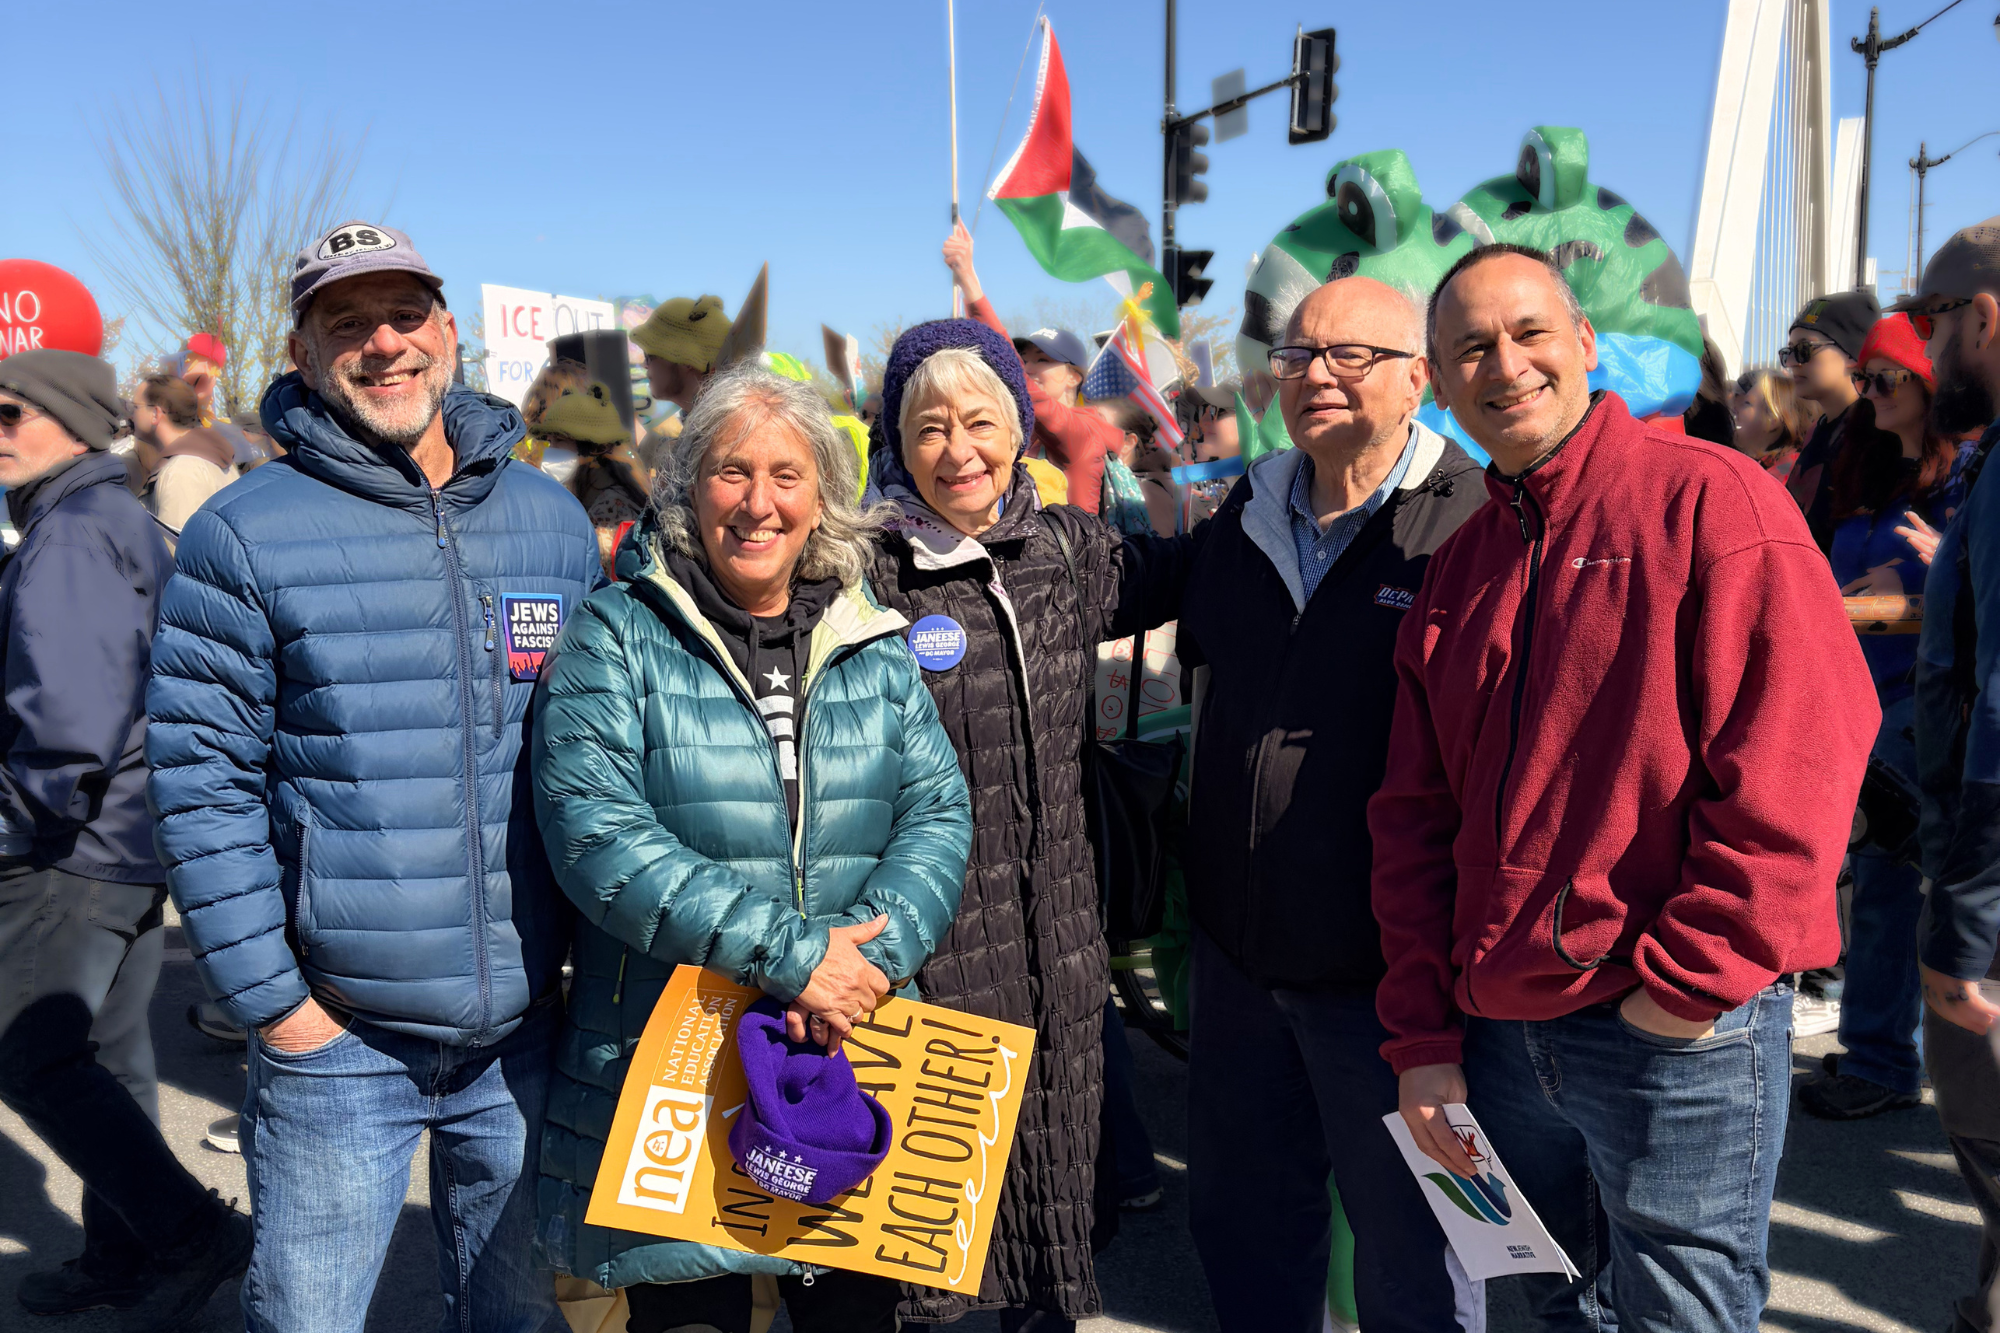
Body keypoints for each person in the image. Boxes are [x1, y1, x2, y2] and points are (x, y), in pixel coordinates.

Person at [1375, 244, 1877, 1333]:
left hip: (1672, 1030)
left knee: (1679, 1319)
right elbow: (1414, 819)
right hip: (1497, 1037)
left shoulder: (1711, 498)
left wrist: (1689, 982)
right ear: (1440, 380)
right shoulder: (1458, 567)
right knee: (1537, 1310)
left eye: (1527, 334)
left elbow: (1803, 755)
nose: (1503, 365)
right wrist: (1421, 1039)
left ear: (1584, 347)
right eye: (1469, 347)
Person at [146, 220, 602, 1332]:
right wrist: (278, 1007)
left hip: (524, 1034)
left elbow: (599, 761)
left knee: (520, 1320)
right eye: (346, 322)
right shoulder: (243, 533)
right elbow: (200, 783)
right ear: (301, 352)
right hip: (338, 1042)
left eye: (405, 315)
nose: (383, 343)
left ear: (449, 333)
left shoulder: (548, 520)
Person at [531, 362, 972, 1333]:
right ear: (689, 486)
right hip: (668, 1054)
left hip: (845, 1046)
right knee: (692, 1317)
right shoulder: (616, 635)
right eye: (732, 472)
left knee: (850, 1319)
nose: (758, 502)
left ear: (823, 495)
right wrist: (797, 955)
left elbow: (937, 812)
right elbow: (596, 837)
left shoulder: (869, 639)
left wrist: (865, 963)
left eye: (786, 474)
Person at [863, 315, 1196, 1330]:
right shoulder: (866, 570)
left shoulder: (1063, 549)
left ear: (1016, 429)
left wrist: (1199, 466)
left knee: (1056, 1204)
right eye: (929, 427)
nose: (956, 449)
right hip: (928, 949)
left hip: (1059, 939)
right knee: (931, 1236)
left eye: (978, 421)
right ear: (894, 438)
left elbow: (1181, 573)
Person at [1176, 276, 1487, 1333]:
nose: (1313, 375)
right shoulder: (1247, 511)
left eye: (1346, 354)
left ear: (1417, 378)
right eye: (1295, 356)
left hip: (1396, 979)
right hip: (1238, 958)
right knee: (1246, 1228)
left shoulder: (1474, 524)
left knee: (1423, 1254)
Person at [0, 350, 247, 1325]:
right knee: (96, 1056)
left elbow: (66, 723)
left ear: (67, 418)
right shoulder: (107, 516)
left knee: (31, 1057)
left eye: (12, 411)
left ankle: (189, 1234)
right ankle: (129, 1254)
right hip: (134, 833)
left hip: (77, 847)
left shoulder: (72, 531)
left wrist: (14, 823)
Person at [1797, 314, 1974, 1122]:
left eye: (1884, 378)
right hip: (1855, 696)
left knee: (1888, 885)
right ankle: (1878, 1053)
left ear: (1925, 382)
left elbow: (1957, 598)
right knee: (1879, 881)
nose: (1867, 393)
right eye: (1863, 378)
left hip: (1925, 701)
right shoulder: (1861, 468)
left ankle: (1880, 1058)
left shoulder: (1968, 473)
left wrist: (1881, 605)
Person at [1898, 216, 2000, 1333]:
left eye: (1930, 322)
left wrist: (1959, 929)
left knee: (1984, 1123)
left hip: (1990, 876)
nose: (1925, 354)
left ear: (1981, 315)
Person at [944, 221, 1117, 515]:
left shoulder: (1084, 430)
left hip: (1074, 559)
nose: (1030, 367)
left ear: (1074, 376)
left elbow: (1017, 379)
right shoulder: (1022, 431)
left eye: (1044, 359)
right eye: (1026, 359)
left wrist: (970, 283)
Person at [1782, 289, 1881, 550]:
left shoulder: (1877, 431)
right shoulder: (1820, 429)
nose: (1791, 362)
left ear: (1852, 354)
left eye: (1804, 350)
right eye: (1788, 352)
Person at [128, 371, 240, 544]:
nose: (131, 416)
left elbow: (176, 555)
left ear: (156, 414)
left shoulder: (182, 470)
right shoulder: (211, 456)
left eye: (135, 407)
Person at [1086, 397, 1178, 537]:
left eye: (1098, 423)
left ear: (1128, 443)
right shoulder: (1099, 485)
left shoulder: (1150, 497)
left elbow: (1157, 554)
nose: (1085, 428)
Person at [632, 295, 729, 414]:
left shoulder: (729, 427)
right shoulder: (712, 421)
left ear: (686, 360)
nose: (644, 365)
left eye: (649, 357)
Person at [1731, 367, 1807, 478]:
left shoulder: (1781, 476)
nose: (1735, 407)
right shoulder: (1758, 463)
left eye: (1747, 403)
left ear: (1772, 419)